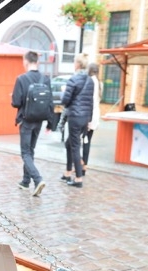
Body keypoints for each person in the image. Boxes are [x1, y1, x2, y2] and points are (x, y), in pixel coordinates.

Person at [11, 50, 51, 197]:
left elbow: (16, 102)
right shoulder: (45, 79)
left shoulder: (21, 79)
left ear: (25, 61)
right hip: (39, 120)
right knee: (31, 150)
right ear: (37, 62)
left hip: (26, 120)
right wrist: (51, 124)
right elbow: (50, 102)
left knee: (25, 152)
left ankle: (37, 179)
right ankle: (25, 181)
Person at [60, 54, 94, 188]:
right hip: (85, 117)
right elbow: (90, 102)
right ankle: (68, 172)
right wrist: (89, 119)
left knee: (74, 146)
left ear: (78, 64)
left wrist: (64, 92)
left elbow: (65, 101)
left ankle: (78, 178)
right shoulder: (90, 81)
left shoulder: (73, 80)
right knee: (70, 143)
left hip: (74, 116)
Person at [81, 62, 101, 176]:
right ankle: (84, 165)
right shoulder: (99, 82)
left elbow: (90, 101)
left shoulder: (91, 81)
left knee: (83, 140)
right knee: (87, 141)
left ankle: (82, 164)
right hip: (95, 115)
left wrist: (87, 119)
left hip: (89, 115)